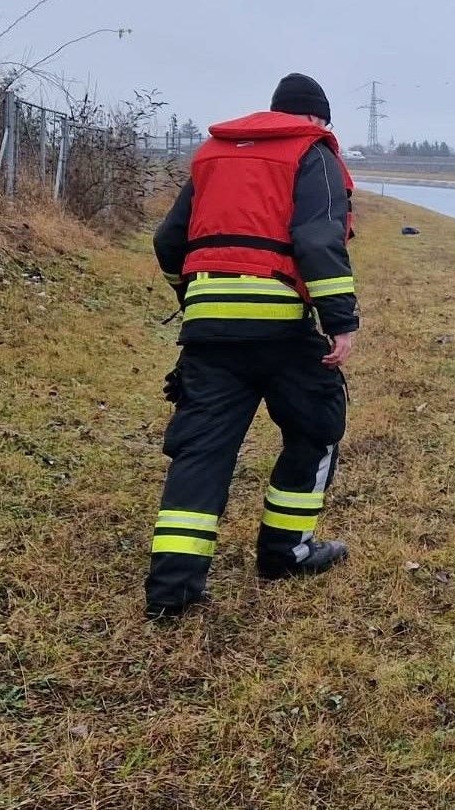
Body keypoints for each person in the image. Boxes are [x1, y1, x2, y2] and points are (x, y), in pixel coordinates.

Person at [144, 73, 358, 620]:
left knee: (202, 450)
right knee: (317, 428)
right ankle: (286, 552)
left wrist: (191, 291)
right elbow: (316, 239)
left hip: (208, 323)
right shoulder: (314, 153)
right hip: (281, 324)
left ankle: (172, 590)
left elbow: (169, 239)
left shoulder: (213, 154)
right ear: (317, 120)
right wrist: (341, 321)